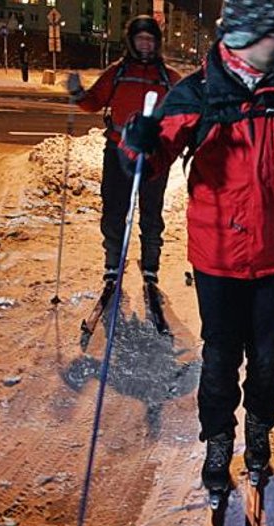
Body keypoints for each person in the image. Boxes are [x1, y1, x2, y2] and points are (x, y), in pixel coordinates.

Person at [119, 0, 274, 489]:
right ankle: (218, 442)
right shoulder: (197, 93)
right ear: (241, 39)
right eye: (272, 36)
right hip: (219, 255)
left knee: (266, 359)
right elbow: (148, 161)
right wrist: (138, 144)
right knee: (219, 359)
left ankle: (259, 434)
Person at [67, 15, 181, 322]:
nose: (145, 44)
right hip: (118, 151)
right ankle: (112, 266)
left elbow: (184, 114)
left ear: (157, 43)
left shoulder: (169, 77)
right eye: (140, 39)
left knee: (151, 213)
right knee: (114, 210)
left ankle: (150, 269)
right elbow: (93, 102)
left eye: (150, 40)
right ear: (132, 41)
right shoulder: (117, 73)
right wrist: (78, 94)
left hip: (153, 155)